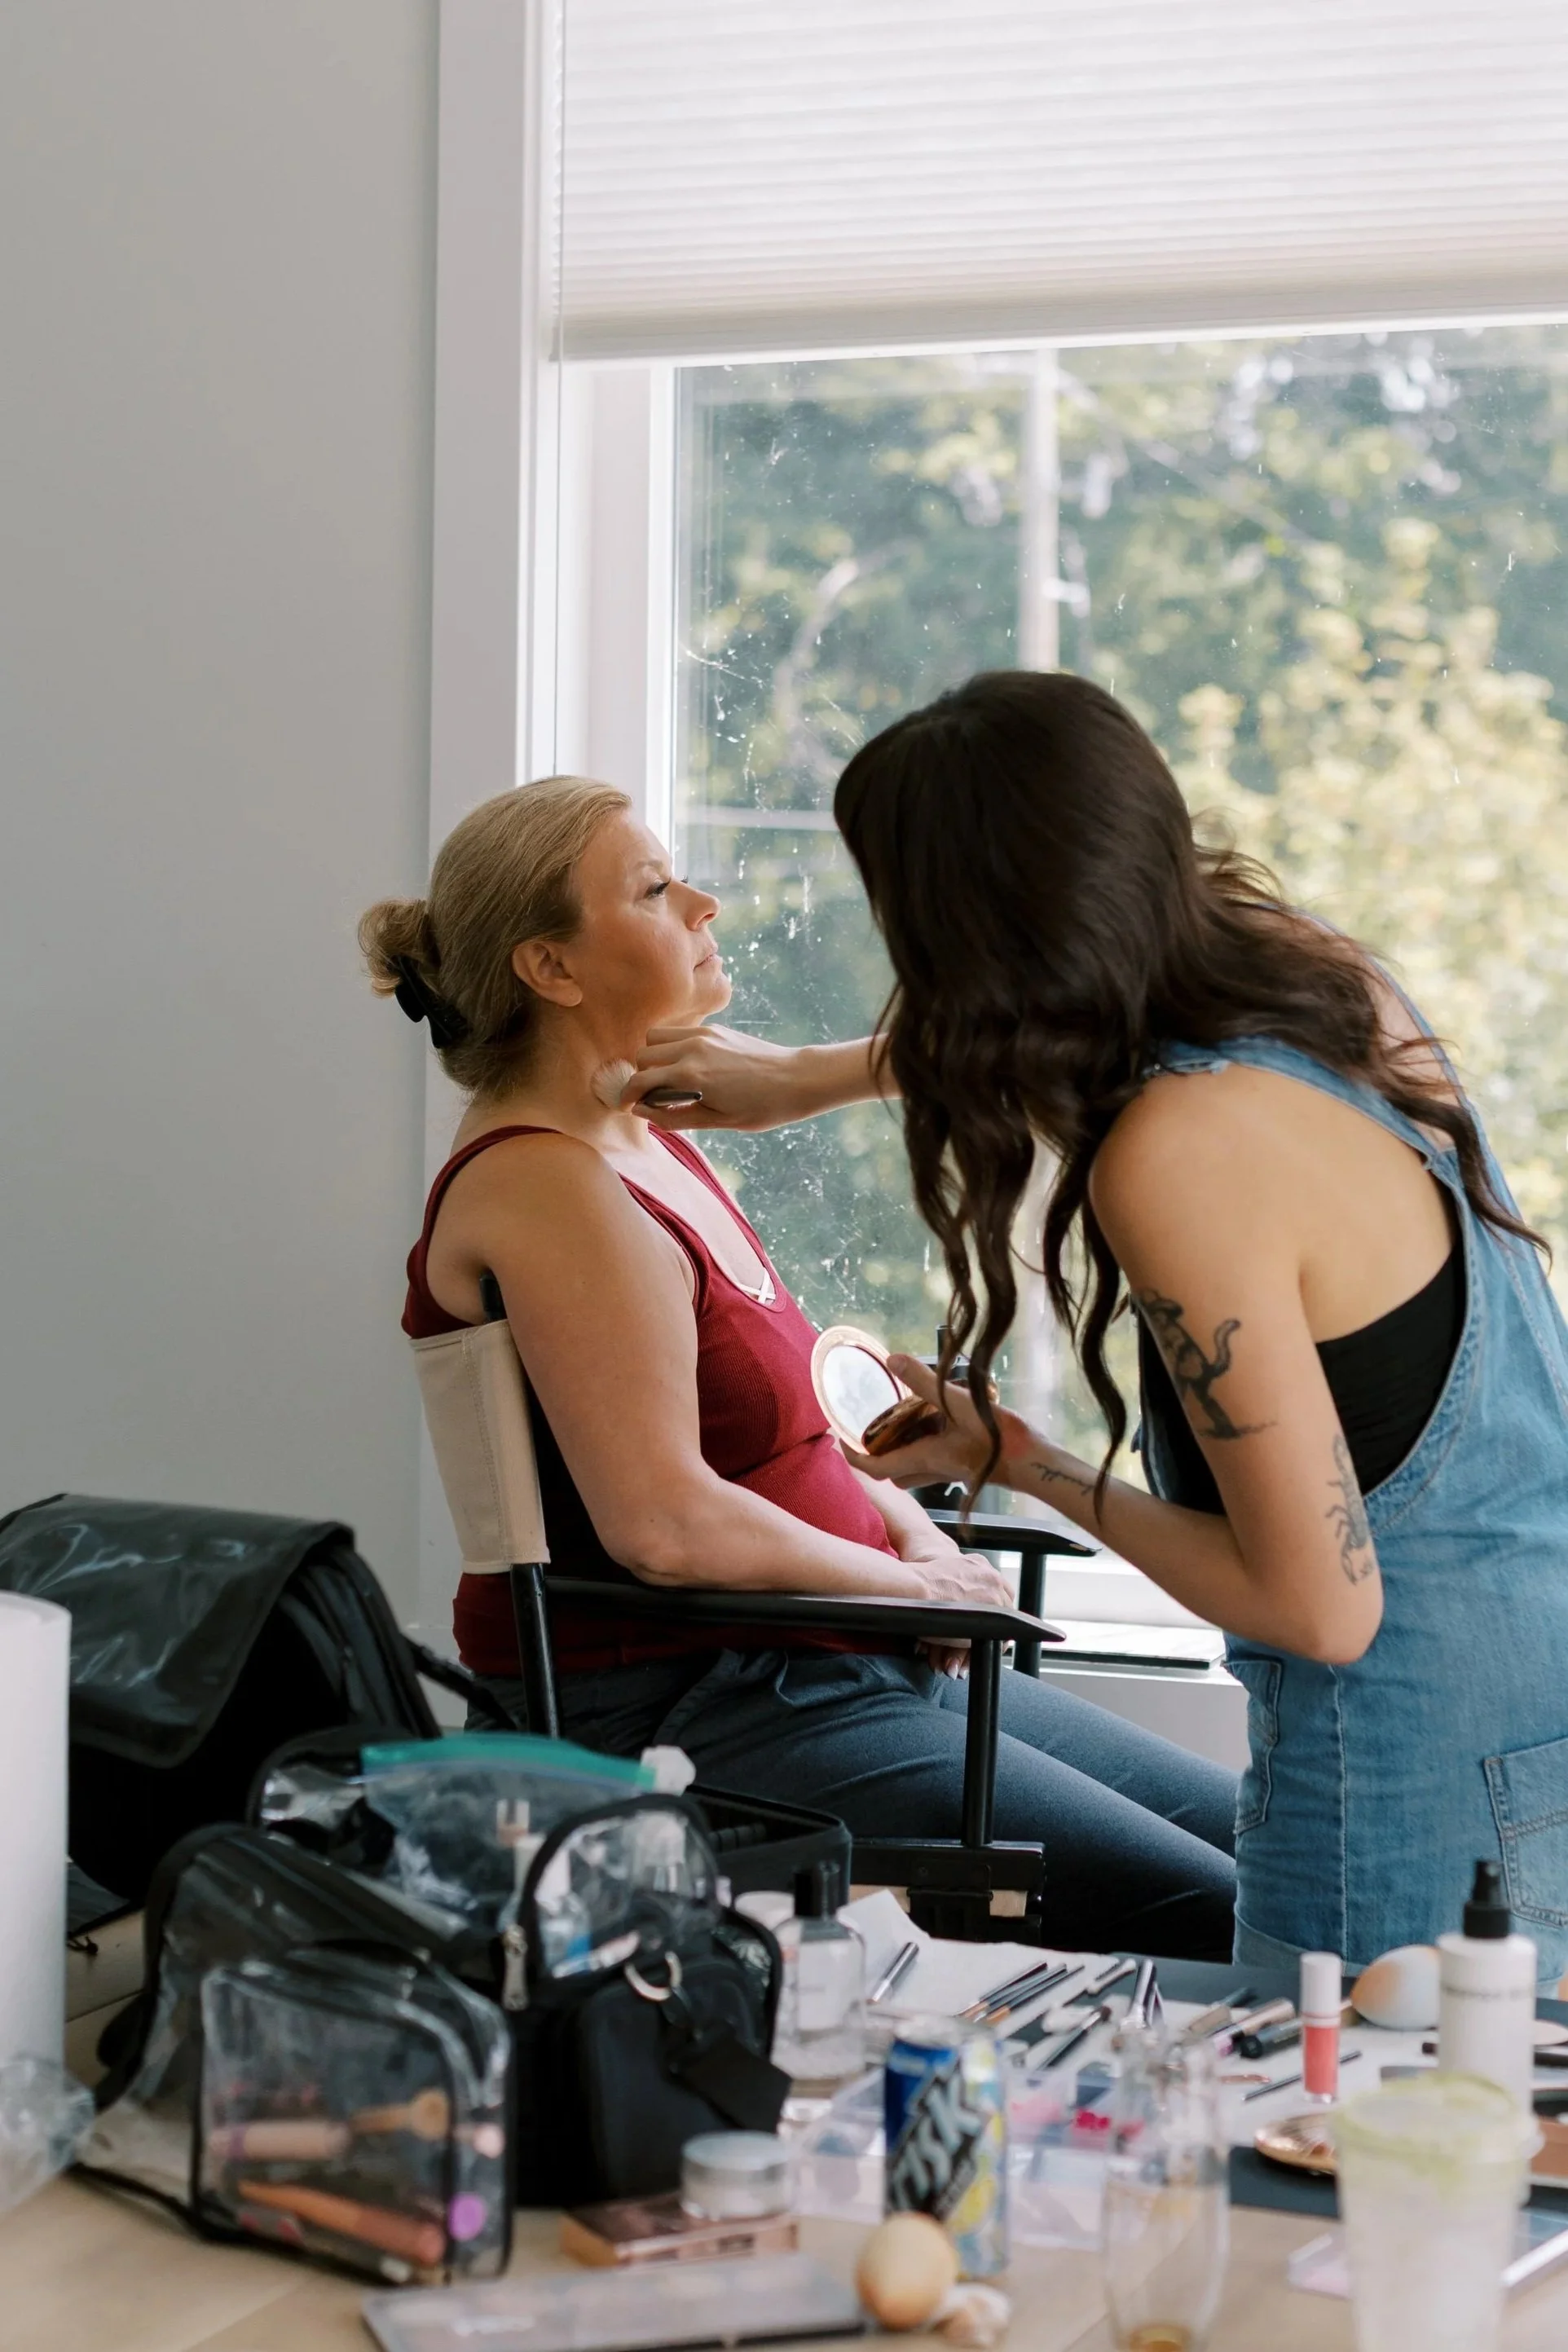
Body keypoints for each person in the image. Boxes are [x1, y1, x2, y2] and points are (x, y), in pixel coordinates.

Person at [623, 670, 1568, 1984]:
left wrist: (1024, 1460)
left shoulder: (1178, 1155)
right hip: (1533, 1729)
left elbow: (1319, 1607)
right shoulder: (1322, 983)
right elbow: (1062, 1016)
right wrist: (807, 1077)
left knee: (1334, 2123)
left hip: (1398, 1796)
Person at [360, 776, 1237, 1958]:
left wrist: (924, 1550)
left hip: (831, 1657)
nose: (703, 903)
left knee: (1275, 1846)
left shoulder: (650, 1146)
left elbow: (796, 1448)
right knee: (1239, 1909)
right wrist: (908, 1592)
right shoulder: (546, 1185)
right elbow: (665, 1525)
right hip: (704, 1700)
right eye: (654, 889)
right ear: (551, 967)